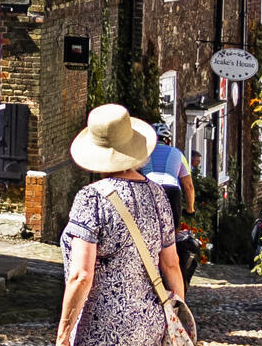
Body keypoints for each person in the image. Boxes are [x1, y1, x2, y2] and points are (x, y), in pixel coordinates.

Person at [56, 104, 187, 346]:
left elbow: (81, 276)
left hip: (101, 328)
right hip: (150, 324)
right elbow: (171, 264)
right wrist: (175, 315)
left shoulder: (91, 198)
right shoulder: (157, 194)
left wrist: (63, 335)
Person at [141, 125, 200, 284]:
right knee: (172, 234)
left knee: (146, 230)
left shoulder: (143, 153)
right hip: (171, 190)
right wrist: (190, 209)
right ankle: (170, 270)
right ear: (168, 141)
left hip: (149, 188)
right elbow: (188, 186)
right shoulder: (178, 154)